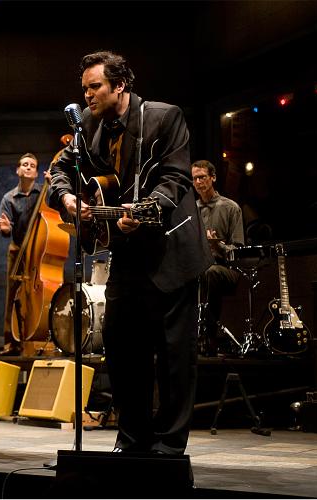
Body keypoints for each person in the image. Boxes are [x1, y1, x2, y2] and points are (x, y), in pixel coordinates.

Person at [48, 51, 212, 454]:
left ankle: (169, 445)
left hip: (171, 248)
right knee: (122, 350)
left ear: (119, 85)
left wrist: (146, 210)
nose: (87, 95)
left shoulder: (164, 116)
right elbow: (59, 171)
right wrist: (68, 198)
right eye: (84, 88)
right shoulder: (87, 126)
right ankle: (133, 437)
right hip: (125, 252)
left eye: (95, 86)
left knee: (174, 356)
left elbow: (175, 178)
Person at [0, 153, 51, 355]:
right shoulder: (8, 198)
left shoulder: (43, 193)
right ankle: (11, 343)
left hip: (39, 251)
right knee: (12, 295)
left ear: (36, 172)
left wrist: (51, 186)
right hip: (18, 249)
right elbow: (5, 229)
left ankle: (41, 338)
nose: (28, 167)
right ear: (18, 170)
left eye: (32, 165)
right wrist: (5, 229)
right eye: (24, 164)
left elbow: (54, 208)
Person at [191, 159, 244, 355]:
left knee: (210, 273)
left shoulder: (231, 208)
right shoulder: (191, 210)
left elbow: (238, 252)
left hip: (226, 269)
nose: (198, 182)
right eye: (194, 179)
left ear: (213, 177)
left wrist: (217, 245)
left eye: (202, 177)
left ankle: (208, 336)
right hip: (198, 267)